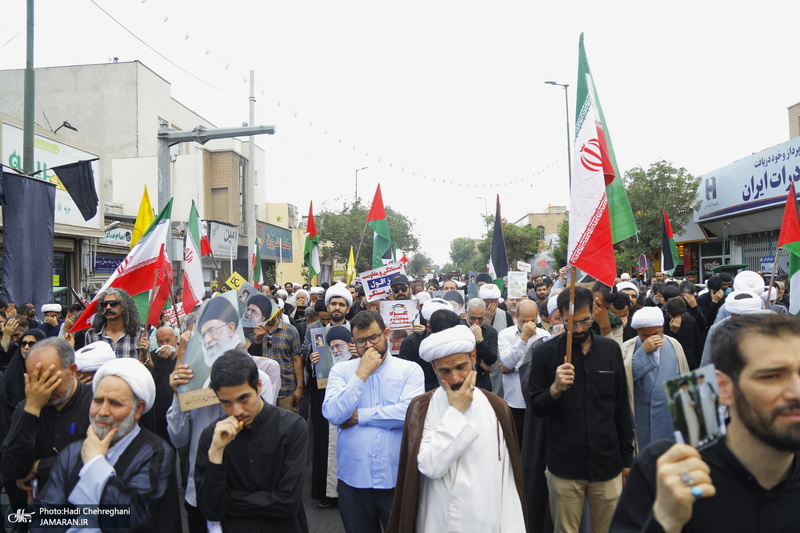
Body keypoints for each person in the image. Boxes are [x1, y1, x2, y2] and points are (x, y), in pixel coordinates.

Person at [611, 313, 800, 532]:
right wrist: (666, 521)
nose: (796, 392)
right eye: (771, 376)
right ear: (724, 387)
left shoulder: (674, 345)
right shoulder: (661, 467)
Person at [387, 325, 527, 533]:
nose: (454, 379)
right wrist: (457, 413)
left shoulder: (496, 407)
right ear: (433, 368)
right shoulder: (423, 407)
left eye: (461, 367)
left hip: (487, 521)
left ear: (473, 357)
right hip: (438, 522)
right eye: (445, 371)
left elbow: (507, 481)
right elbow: (430, 466)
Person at [530, 287, 633, 533]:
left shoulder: (610, 350)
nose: (577, 329)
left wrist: (626, 459)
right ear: (560, 317)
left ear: (595, 314)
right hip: (565, 465)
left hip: (607, 463)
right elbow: (536, 406)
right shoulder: (545, 353)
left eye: (584, 321)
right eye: (570, 323)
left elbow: (621, 407)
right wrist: (554, 388)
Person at [35, 358, 181, 532]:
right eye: (98, 401)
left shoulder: (155, 452)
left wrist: (94, 464)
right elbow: (42, 517)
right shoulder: (72, 452)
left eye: (115, 403)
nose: (102, 411)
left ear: (138, 409)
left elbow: (131, 519)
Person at [321, 310, 425, 533]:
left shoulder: (409, 370)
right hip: (353, 478)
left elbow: (409, 414)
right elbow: (334, 414)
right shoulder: (341, 371)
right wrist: (361, 375)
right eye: (361, 340)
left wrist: (359, 416)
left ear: (386, 334)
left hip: (395, 477)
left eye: (374, 338)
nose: (368, 345)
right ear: (353, 342)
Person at [167, 334, 277, 533]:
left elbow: (266, 436)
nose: (210, 341)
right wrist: (177, 395)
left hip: (250, 495)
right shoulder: (188, 383)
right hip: (201, 490)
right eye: (202, 337)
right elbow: (177, 439)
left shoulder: (258, 379)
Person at [194, 352, 309, 532]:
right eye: (226, 402)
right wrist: (216, 453)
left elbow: (288, 503)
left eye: (243, 398)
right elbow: (210, 509)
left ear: (259, 385)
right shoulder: (212, 436)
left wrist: (228, 500)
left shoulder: (292, 427)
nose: (237, 410)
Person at [0, 338, 93, 523]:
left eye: (51, 379)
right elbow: (12, 469)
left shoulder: (94, 403)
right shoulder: (26, 408)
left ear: (72, 371)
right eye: (37, 380)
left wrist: (38, 467)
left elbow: (94, 459)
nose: (45, 389)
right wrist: (32, 410)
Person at [621, 306, 690, 452]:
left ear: (662, 327)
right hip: (641, 415)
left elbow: (684, 377)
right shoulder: (628, 348)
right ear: (637, 332)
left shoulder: (674, 344)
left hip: (669, 415)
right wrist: (643, 351)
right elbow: (625, 378)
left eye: (656, 333)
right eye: (645, 335)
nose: (652, 338)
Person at [498, 299, 549, 445]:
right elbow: (507, 361)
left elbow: (542, 367)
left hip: (536, 398)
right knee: (516, 443)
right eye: (524, 321)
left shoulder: (543, 335)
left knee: (536, 444)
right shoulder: (505, 334)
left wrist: (514, 368)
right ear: (516, 317)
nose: (528, 325)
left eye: (532, 320)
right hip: (515, 400)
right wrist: (524, 338)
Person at [84, 288, 147, 358]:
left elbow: (147, 366)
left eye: (114, 304)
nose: (108, 307)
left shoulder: (139, 334)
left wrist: (144, 354)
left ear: (124, 306)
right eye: (104, 304)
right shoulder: (92, 335)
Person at [463, 298, 499, 392]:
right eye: (472, 318)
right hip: (463, 380)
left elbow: (491, 359)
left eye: (480, 319)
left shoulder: (491, 332)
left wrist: (480, 339)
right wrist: (479, 362)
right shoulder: (459, 329)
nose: (476, 322)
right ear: (466, 313)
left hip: (482, 380)